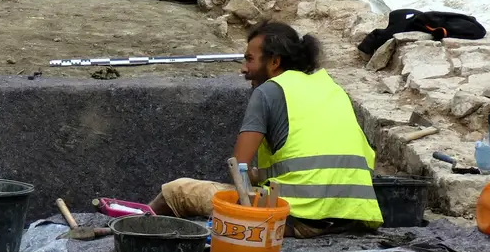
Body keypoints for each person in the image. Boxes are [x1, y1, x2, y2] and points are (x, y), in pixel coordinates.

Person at [149, 22, 384, 235]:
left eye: (250, 59)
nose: (243, 68)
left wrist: (250, 177)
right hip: (354, 216)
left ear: (274, 61)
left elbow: (238, 168)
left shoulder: (269, 91)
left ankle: (129, 226)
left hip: (297, 216)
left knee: (177, 191)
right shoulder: (332, 88)